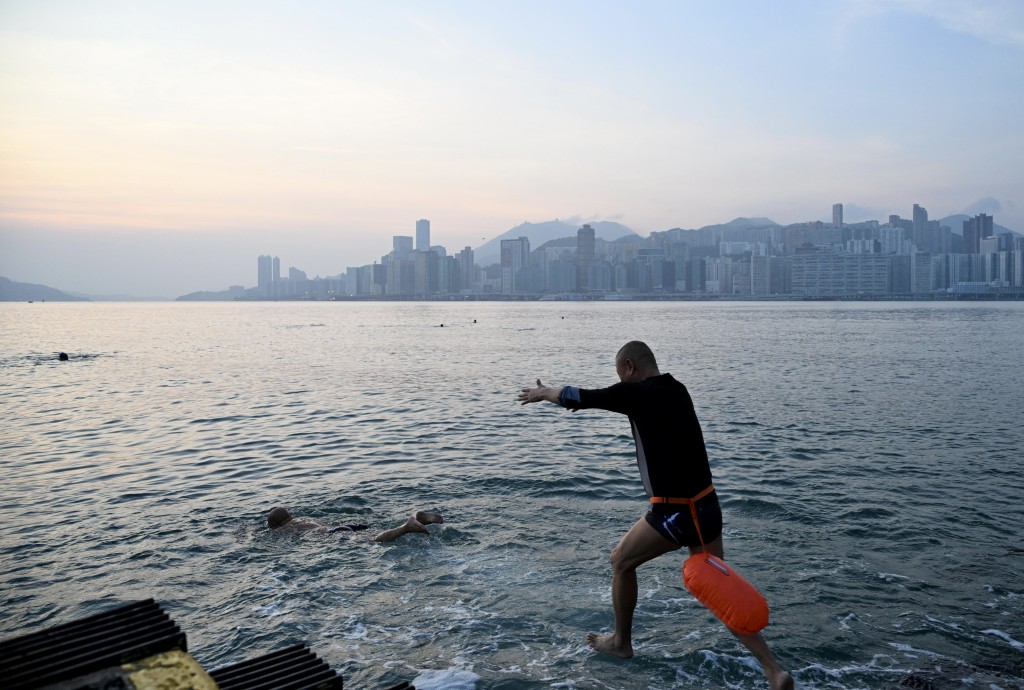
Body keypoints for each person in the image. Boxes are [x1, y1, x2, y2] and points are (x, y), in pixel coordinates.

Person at [517, 341, 793, 690]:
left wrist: (545, 393)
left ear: (630, 367)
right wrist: (575, 399)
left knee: (620, 561)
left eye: (620, 375)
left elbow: (581, 396)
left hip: (676, 513)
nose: (621, 382)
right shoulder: (677, 388)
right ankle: (773, 670)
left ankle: (621, 642)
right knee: (718, 590)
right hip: (707, 506)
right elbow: (598, 400)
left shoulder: (638, 393)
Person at [267, 507, 444, 543]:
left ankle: (406, 527)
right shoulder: (302, 518)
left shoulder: (285, 528)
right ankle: (417, 518)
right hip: (346, 525)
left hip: (335, 533)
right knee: (372, 533)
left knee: (375, 540)